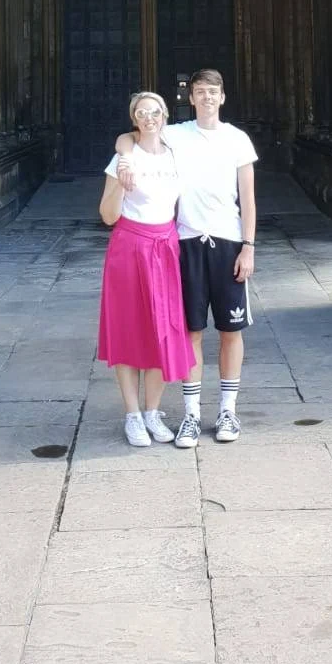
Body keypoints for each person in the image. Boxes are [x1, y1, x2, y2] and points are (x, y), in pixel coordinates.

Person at [116, 68, 257, 448]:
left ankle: (228, 410)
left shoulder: (238, 140)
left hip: (228, 241)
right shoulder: (175, 133)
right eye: (200, 92)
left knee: (231, 330)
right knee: (191, 330)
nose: (207, 97)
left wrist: (249, 246)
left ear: (223, 97)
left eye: (213, 91)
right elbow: (132, 134)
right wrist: (125, 158)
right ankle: (192, 415)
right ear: (190, 98)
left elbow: (248, 197)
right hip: (187, 242)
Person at [98, 90, 196, 448]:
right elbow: (107, 216)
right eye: (141, 113)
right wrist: (121, 187)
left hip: (167, 247)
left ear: (165, 114)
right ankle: (132, 415)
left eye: (154, 112)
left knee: (164, 329)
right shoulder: (124, 158)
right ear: (134, 118)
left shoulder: (176, 150)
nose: (149, 118)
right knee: (128, 329)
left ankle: (153, 412)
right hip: (129, 247)